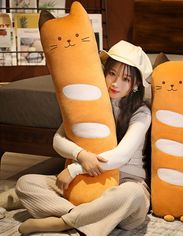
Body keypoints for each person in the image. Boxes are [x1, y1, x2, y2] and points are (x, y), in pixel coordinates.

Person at [13, 40, 153, 235]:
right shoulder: (89, 102)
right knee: (26, 183)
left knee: (134, 194)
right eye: (112, 73)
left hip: (124, 184)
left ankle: (61, 223)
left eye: (126, 79)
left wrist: (74, 168)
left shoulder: (141, 112)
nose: (115, 83)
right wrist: (80, 155)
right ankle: (85, 217)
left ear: (136, 83)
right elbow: (58, 140)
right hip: (86, 185)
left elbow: (122, 155)